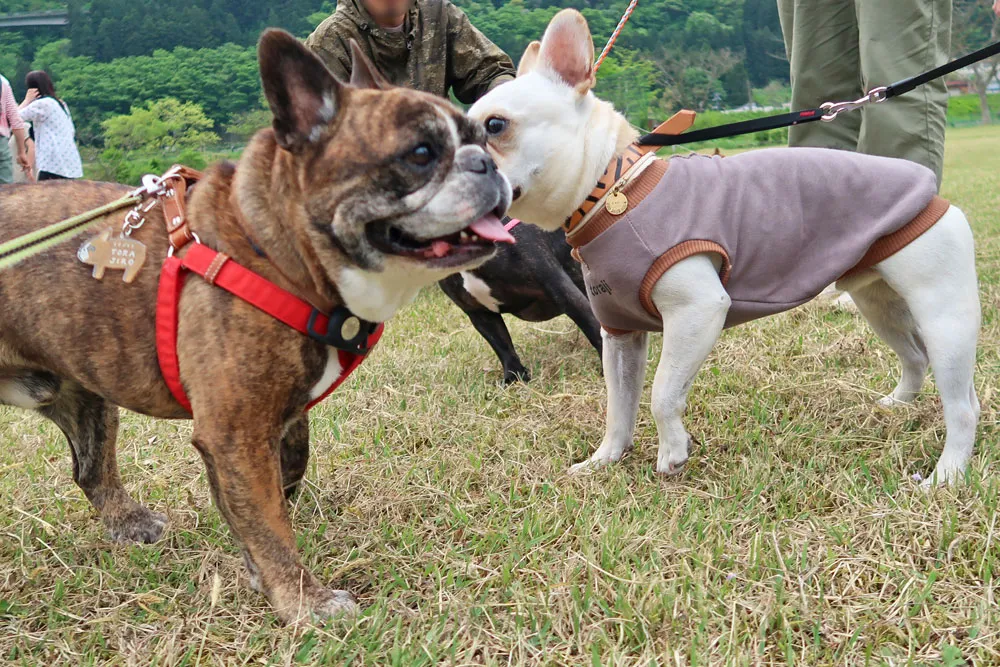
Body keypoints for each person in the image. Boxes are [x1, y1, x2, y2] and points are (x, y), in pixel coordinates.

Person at [305, 0, 516, 103]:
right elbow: (322, 131)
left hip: (441, 159)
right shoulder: (329, 42)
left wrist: (510, 97)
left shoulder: (438, 15)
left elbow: (491, 72)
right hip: (368, 173)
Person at [17, 70, 83, 181]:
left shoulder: (43, 104)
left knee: (45, 194)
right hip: (69, 160)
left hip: (52, 161)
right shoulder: (60, 103)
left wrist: (27, 100)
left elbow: (15, 118)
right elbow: (72, 130)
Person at [0, 72, 31, 184]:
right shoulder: (3, 82)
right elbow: (16, 120)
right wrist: (21, 152)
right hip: (1, 143)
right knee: (5, 192)